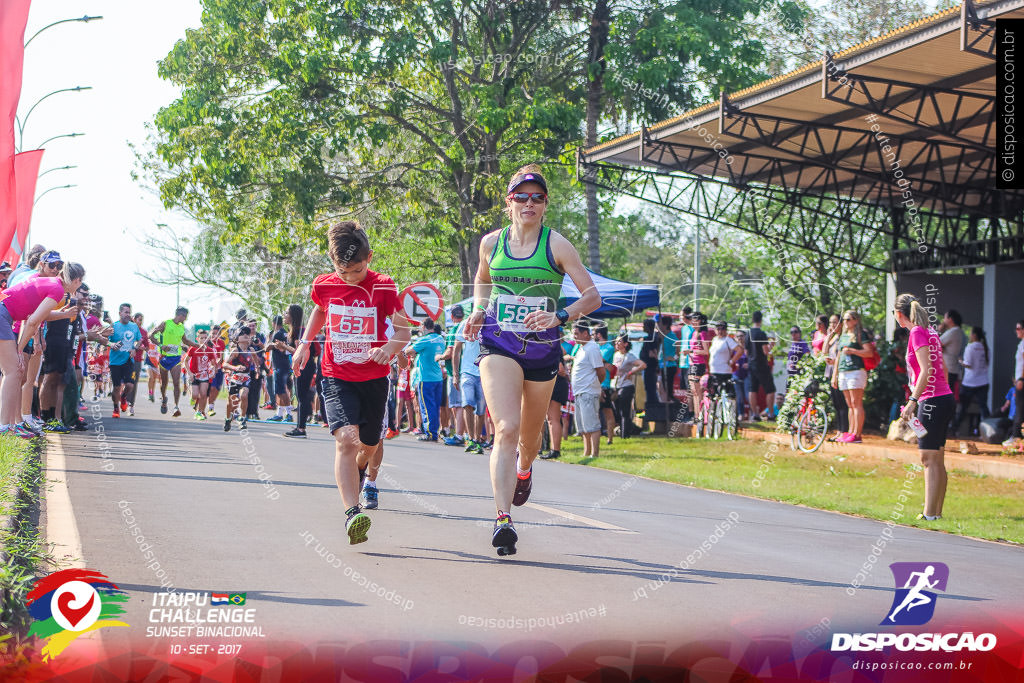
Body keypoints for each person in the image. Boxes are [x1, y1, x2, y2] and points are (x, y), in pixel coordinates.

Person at [462, 164, 599, 556]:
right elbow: (483, 279)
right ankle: (502, 518)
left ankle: (525, 470)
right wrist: (478, 309)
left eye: (537, 198)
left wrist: (558, 316)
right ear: (509, 203)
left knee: (529, 440)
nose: (529, 203)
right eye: (521, 197)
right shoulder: (491, 243)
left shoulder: (557, 246)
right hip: (499, 343)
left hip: (542, 350)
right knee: (505, 427)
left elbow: (592, 297)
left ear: (544, 205)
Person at [291, 221, 412, 545]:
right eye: (342, 272)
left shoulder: (384, 287)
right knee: (346, 439)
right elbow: (319, 311)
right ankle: (352, 513)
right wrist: (305, 343)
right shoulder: (325, 285)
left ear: (369, 258)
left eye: (356, 271)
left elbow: (403, 333)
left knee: (369, 446)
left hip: (373, 379)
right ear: (333, 264)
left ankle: (361, 470)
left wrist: (387, 349)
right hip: (335, 374)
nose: (349, 278)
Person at [0, 263, 85, 437]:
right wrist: (19, 350)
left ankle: (8, 425)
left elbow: (37, 316)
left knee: (13, 371)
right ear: (77, 280)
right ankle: (4, 426)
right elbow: (32, 322)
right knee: (13, 371)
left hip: (5, 313)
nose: (80, 286)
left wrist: (63, 314)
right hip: (3, 314)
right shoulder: (57, 289)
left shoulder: (52, 283)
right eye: (80, 282)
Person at [893, 294, 955, 520]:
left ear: (899, 315)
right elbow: (943, 369)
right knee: (937, 458)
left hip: (931, 400)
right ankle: (936, 514)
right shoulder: (931, 332)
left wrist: (913, 401)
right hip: (943, 397)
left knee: (928, 458)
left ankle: (929, 514)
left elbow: (926, 369)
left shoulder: (917, 332)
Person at [38, 287, 83, 432]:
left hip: (65, 344)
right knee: (48, 379)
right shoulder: (56, 293)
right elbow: (42, 315)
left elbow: (73, 329)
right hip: (51, 341)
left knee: (58, 382)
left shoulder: (72, 300)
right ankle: (44, 417)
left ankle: (53, 418)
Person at [829, 310, 874, 443]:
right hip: (843, 371)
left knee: (856, 403)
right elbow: (838, 356)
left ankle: (857, 434)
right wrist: (834, 375)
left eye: (848, 319)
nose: (845, 322)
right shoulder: (843, 336)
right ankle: (850, 432)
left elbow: (869, 353)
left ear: (855, 321)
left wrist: (853, 351)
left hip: (856, 370)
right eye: (844, 320)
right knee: (849, 404)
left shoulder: (861, 334)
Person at [151, 307, 196, 417]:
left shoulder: (181, 327)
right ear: (180, 315)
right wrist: (162, 346)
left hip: (176, 358)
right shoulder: (166, 323)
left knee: (176, 382)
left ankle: (176, 406)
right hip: (164, 358)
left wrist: (197, 346)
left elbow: (185, 341)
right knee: (164, 384)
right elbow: (151, 336)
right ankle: (164, 399)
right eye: (185, 316)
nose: (186, 319)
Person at [570, 323, 606, 458]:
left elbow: (601, 371)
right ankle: (586, 451)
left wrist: (595, 386)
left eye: (576, 334)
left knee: (592, 424)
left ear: (586, 333)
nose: (574, 337)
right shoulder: (581, 348)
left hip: (588, 391)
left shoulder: (592, 348)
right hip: (579, 392)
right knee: (583, 426)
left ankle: (594, 453)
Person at [454, 311, 487, 454]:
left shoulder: (489, 324)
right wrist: (455, 374)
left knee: (480, 410)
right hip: (467, 371)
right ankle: (471, 439)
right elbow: (456, 350)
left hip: (484, 372)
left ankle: (477, 439)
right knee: (467, 404)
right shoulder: (464, 324)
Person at [409, 318, 446, 441]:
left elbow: (409, 351)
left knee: (426, 407)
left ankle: (430, 433)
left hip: (426, 378)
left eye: (420, 327)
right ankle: (434, 431)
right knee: (434, 406)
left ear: (424, 327)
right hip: (438, 378)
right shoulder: (440, 338)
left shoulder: (424, 340)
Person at [284, 305, 318, 438]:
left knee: (302, 397)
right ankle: (300, 425)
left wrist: (283, 346)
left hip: (305, 366)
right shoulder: (294, 331)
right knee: (300, 396)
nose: (284, 315)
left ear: (293, 316)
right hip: (301, 366)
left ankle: (301, 428)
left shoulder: (301, 331)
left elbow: (302, 352)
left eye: (286, 313)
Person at [108, 304, 142, 419]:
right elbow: (107, 341)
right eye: (126, 312)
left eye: (129, 312)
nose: (128, 315)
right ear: (120, 313)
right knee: (117, 387)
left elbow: (139, 340)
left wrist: (135, 348)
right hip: (115, 362)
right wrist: (112, 345)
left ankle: (123, 397)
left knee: (130, 385)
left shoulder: (134, 326)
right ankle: (115, 408)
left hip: (128, 361)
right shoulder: (114, 326)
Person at [439, 305, 466, 446]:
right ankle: (463, 434)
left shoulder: (454, 330)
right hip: (465, 370)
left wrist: (438, 357)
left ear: (451, 316)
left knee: (457, 405)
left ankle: (459, 435)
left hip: (455, 372)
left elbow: (450, 353)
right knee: (462, 405)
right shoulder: (465, 326)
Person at [222, 326, 257, 431]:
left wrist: (258, 370)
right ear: (237, 338)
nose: (246, 335)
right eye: (242, 333)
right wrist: (235, 367)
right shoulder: (235, 351)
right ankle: (228, 419)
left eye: (247, 333)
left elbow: (256, 361)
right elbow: (224, 364)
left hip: (246, 378)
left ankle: (242, 418)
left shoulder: (251, 350)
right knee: (231, 404)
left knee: (244, 395)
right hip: (234, 379)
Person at [957, 327, 989, 436]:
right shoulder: (985, 347)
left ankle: (954, 429)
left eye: (971, 333)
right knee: (983, 407)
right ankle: (988, 431)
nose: (970, 335)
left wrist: (960, 361)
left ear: (974, 335)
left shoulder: (970, 347)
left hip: (970, 382)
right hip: (983, 381)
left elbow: (968, 364)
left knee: (963, 407)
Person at [611, 334, 644, 438]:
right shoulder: (616, 355)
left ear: (625, 344)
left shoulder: (629, 356)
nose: (616, 343)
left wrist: (631, 372)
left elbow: (642, 365)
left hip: (626, 386)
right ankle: (622, 429)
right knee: (615, 409)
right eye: (616, 342)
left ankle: (625, 435)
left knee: (624, 411)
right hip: (615, 385)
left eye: (619, 341)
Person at [746, 310, 775, 421]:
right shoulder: (761, 333)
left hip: (751, 364)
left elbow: (746, 352)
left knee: (752, 389)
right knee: (770, 389)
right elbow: (765, 351)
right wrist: (771, 346)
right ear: (761, 320)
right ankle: (771, 414)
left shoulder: (748, 333)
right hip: (761, 364)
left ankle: (755, 414)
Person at [267, 314, 295, 422]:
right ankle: (279, 413)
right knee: (279, 390)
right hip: (284, 364)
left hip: (280, 365)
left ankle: (288, 413)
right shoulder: (286, 333)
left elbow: (268, 348)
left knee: (282, 390)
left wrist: (270, 343)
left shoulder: (277, 334)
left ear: (274, 323)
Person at [539, 359, 568, 459]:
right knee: (549, 419)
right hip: (554, 384)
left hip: (555, 384)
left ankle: (555, 450)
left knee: (553, 419)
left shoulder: (553, 349)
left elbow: (560, 370)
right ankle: (551, 449)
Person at [593, 325, 616, 445]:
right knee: (595, 412)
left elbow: (598, 359)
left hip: (604, 384)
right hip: (594, 383)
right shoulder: (596, 346)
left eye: (594, 333)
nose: (593, 336)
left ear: (599, 335)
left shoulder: (609, 347)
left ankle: (610, 438)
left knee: (608, 412)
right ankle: (596, 437)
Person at [1003, 320, 1024, 448]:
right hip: (1020, 379)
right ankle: (1017, 436)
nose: (1016, 331)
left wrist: (1021, 379)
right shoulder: (1021, 343)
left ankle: (1016, 436)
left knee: (1019, 408)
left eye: (1018, 328)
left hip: (1022, 380)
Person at [939, 310, 965, 401]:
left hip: (948, 369)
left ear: (950, 319)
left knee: (944, 397)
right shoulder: (958, 331)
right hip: (952, 369)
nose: (943, 320)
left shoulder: (954, 331)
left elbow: (936, 343)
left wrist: (940, 330)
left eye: (945, 317)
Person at [126, 312, 148, 415]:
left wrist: (143, 347)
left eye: (142, 320)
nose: (141, 322)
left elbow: (147, 346)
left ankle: (131, 405)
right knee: (125, 382)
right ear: (134, 319)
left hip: (136, 361)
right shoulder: (128, 329)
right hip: (125, 359)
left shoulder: (144, 332)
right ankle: (123, 399)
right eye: (139, 319)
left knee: (133, 382)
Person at [658, 315, 679, 408]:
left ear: (665, 325)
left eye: (661, 324)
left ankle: (673, 407)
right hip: (661, 365)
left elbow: (678, 348)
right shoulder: (661, 335)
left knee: (668, 389)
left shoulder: (672, 336)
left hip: (669, 366)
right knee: (662, 388)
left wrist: (674, 357)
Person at [640, 318, 662, 407]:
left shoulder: (650, 338)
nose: (643, 327)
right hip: (650, 365)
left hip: (650, 366)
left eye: (644, 326)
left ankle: (652, 405)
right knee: (651, 386)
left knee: (650, 386)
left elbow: (653, 353)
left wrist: (656, 361)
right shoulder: (653, 336)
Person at [785, 325, 811, 391]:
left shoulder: (802, 343)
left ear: (799, 333)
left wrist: (799, 365)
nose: (793, 333)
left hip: (798, 373)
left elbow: (807, 355)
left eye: (795, 332)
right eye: (791, 332)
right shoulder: (793, 344)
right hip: (791, 373)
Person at [732, 331, 750, 420]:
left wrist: (749, 364)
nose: (740, 338)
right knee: (739, 396)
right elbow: (729, 359)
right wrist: (734, 365)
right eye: (738, 336)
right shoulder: (733, 348)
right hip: (736, 374)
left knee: (748, 395)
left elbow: (755, 360)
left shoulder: (749, 348)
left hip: (747, 374)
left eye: (742, 336)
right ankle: (741, 414)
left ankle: (752, 413)